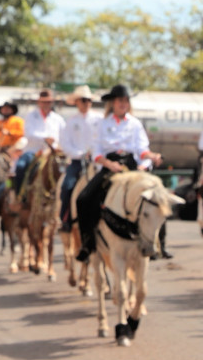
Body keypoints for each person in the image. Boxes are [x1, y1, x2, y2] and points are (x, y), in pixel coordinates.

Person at [75, 84, 163, 263]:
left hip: (131, 165)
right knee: (83, 199)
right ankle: (88, 243)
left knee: (157, 198)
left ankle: (158, 244)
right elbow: (96, 150)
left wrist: (152, 156)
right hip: (110, 165)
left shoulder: (135, 123)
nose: (123, 104)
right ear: (113, 103)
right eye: (119, 100)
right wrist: (108, 163)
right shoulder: (102, 123)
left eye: (125, 101)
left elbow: (141, 149)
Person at [58, 85, 102, 232]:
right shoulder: (70, 122)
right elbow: (65, 143)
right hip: (77, 161)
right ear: (76, 102)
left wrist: (94, 153)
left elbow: (103, 140)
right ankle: (65, 218)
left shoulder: (100, 119)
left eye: (88, 100)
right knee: (67, 186)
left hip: (98, 161)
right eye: (83, 100)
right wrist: (80, 154)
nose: (86, 103)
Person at [13, 89, 66, 198]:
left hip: (53, 153)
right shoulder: (31, 116)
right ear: (39, 102)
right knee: (20, 166)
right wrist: (45, 138)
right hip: (33, 151)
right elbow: (28, 133)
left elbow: (64, 136)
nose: (47, 104)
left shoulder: (58, 119)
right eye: (45, 101)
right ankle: (20, 196)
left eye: (49, 102)